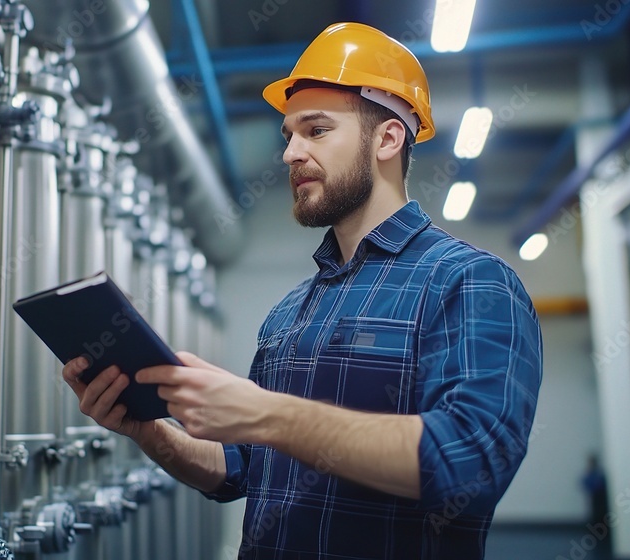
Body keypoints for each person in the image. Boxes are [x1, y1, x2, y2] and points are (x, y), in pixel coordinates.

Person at [62, 22, 542, 559]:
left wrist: (266, 412)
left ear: (388, 138)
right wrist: (151, 433)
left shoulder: (469, 282)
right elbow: (243, 470)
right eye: (288, 135)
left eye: (315, 131)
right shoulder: (292, 309)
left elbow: (471, 465)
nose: (290, 153)